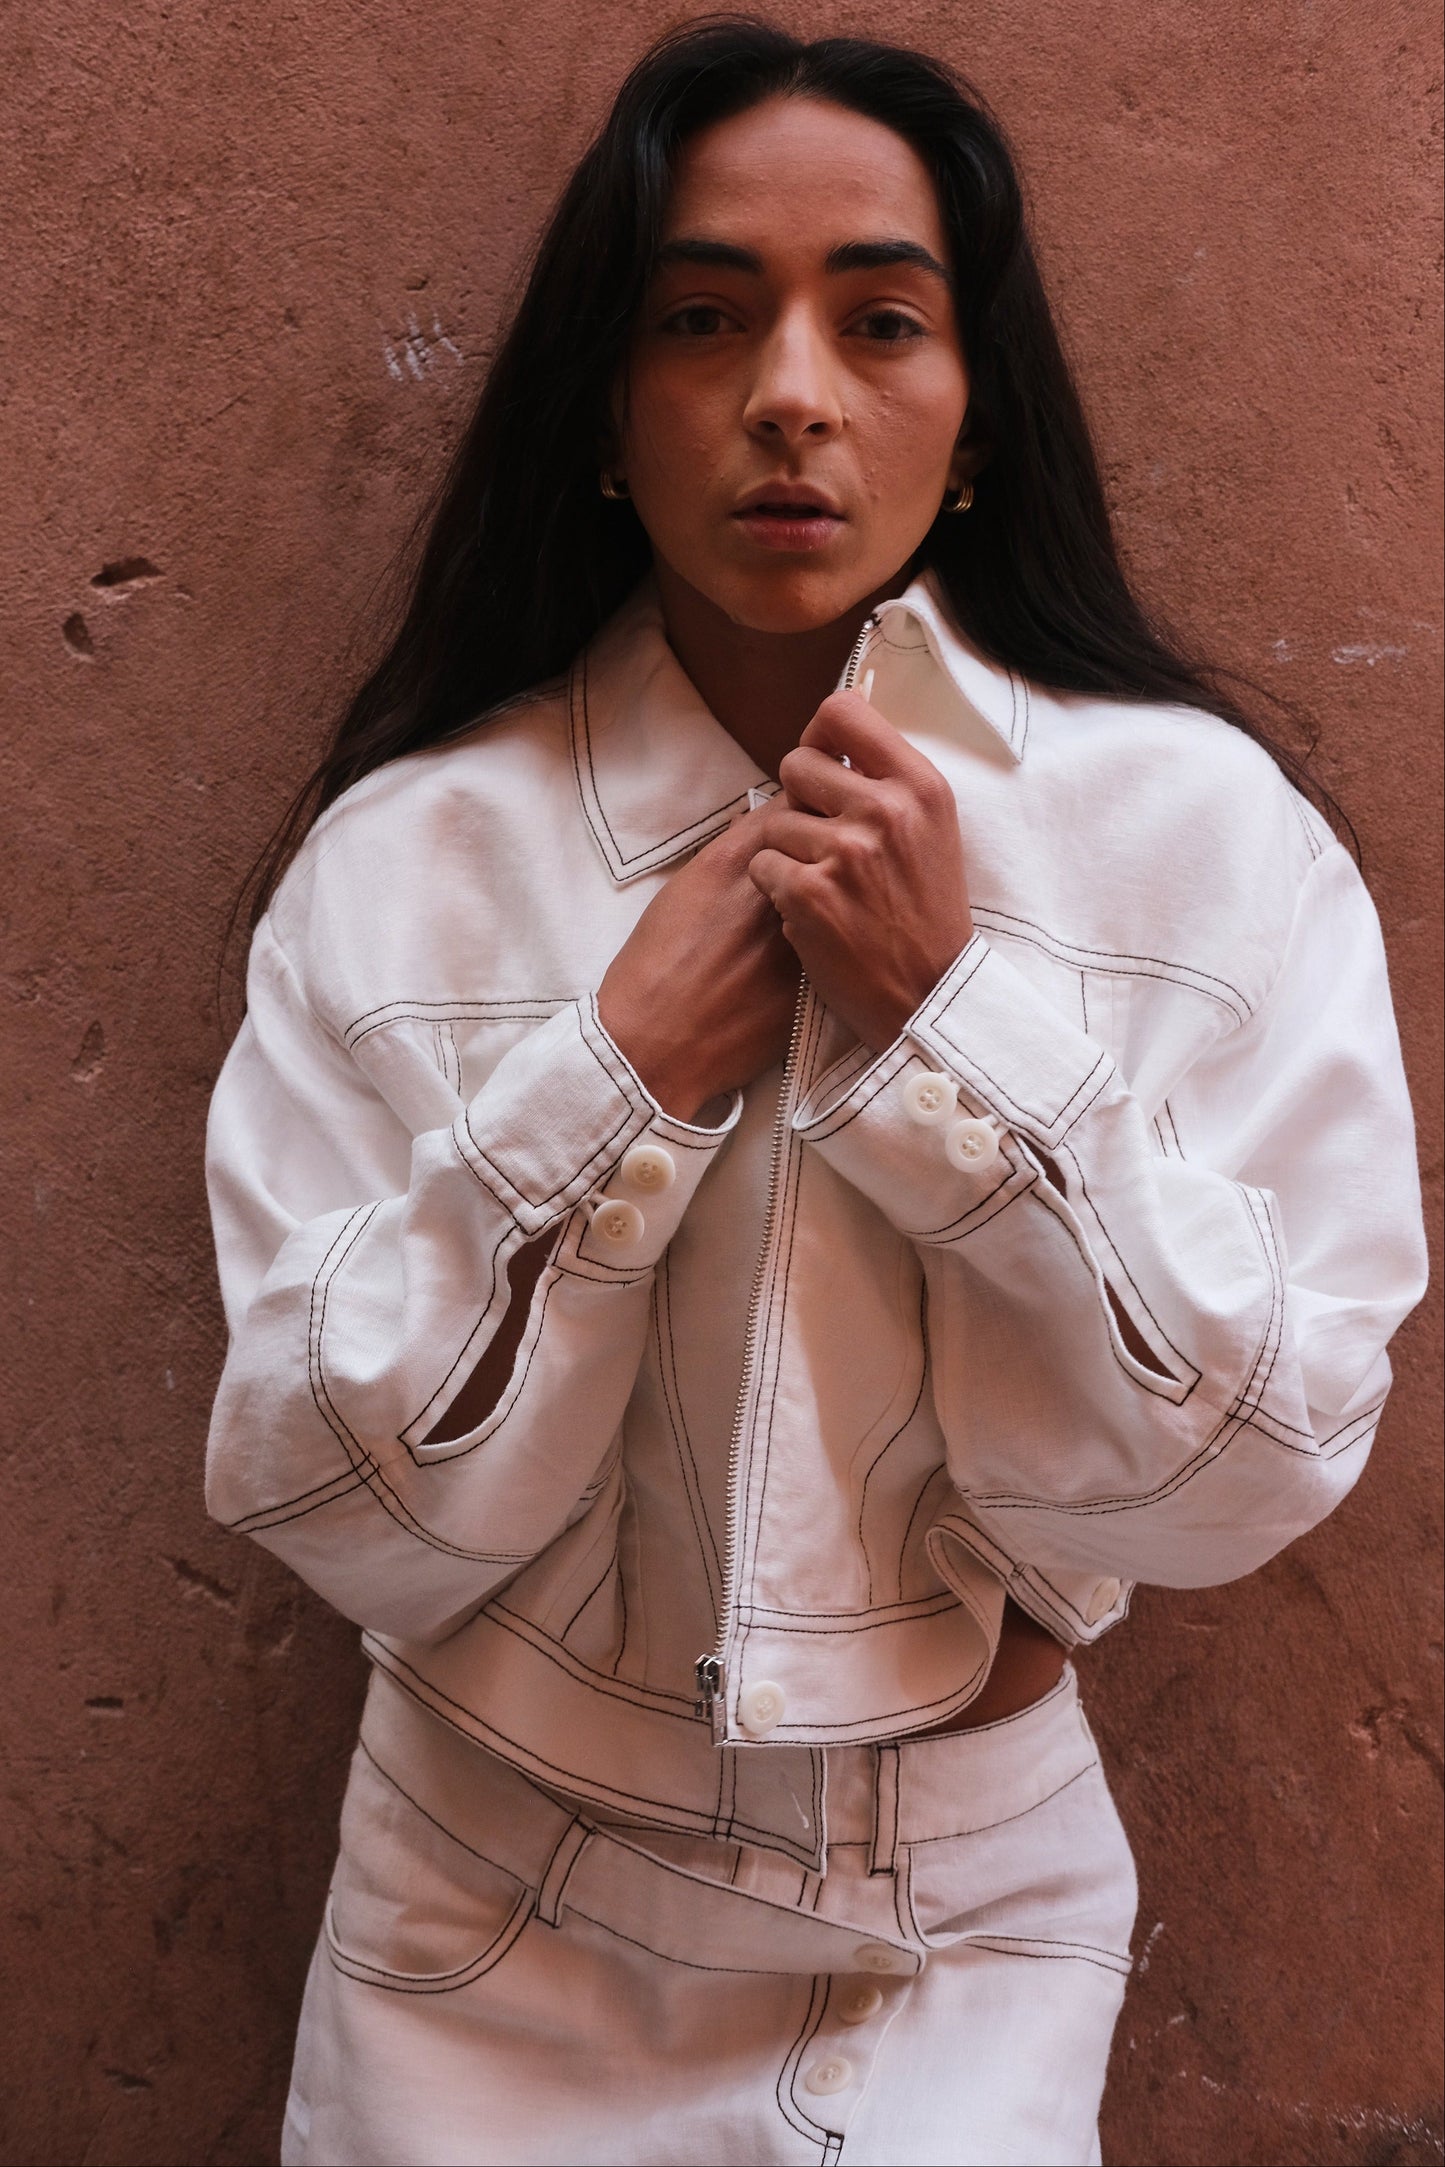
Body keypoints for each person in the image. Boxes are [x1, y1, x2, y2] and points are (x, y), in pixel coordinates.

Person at [203, 20, 1427, 2166]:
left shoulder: (1197, 838)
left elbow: (1256, 1462)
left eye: (881, 319)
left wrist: (961, 1035)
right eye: (700, 318)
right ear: (605, 407)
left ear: (974, 416)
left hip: (966, 1924)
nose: (789, 390)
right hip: (488, 1915)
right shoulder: (406, 864)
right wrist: (614, 1082)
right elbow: (341, 1510)